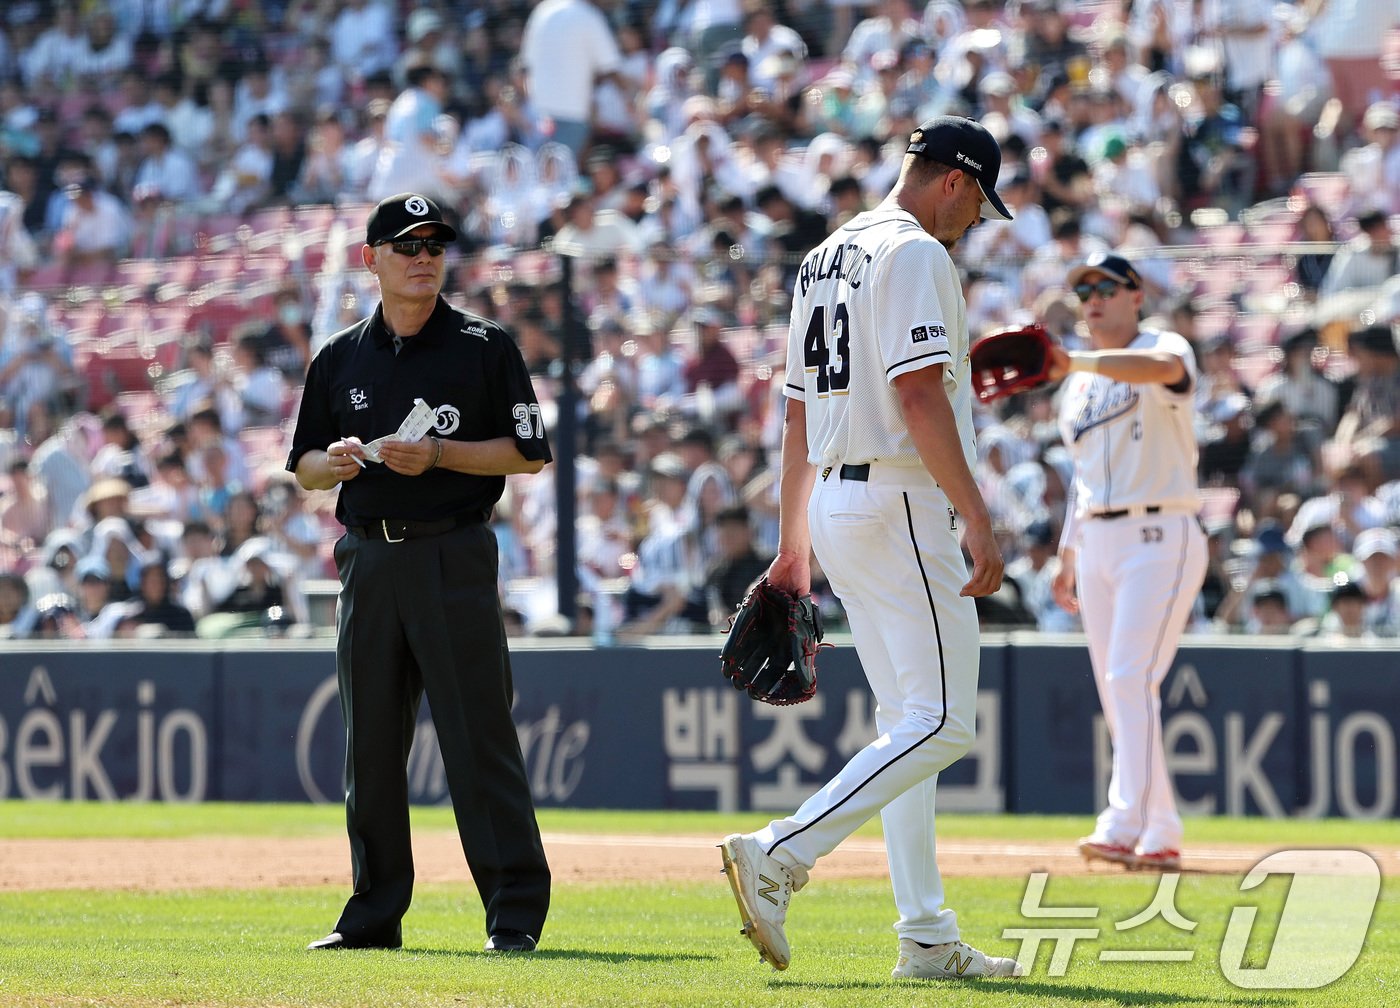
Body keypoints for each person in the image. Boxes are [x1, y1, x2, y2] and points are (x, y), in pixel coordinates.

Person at [718, 116, 1023, 981]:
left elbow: (795, 413)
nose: (972, 225)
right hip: (899, 498)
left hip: (837, 500)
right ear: (956, 181)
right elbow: (920, 395)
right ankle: (779, 854)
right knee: (941, 721)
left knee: (907, 725)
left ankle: (925, 935)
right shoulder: (918, 252)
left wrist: (791, 539)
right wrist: (976, 515)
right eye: (977, 206)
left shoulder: (824, 256)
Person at [288, 193, 553, 953]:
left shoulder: (484, 344)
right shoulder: (340, 356)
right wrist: (329, 462)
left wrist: (440, 455)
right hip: (368, 557)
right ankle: (373, 915)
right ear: (370, 258)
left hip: (453, 552)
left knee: (478, 740)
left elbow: (530, 451)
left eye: (435, 243)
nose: (423, 256)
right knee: (368, 746)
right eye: (406, 245)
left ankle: (513, 916)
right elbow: (303, 466)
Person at [1046, 251, 1208, 873]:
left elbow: (1163, 368)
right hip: (1098, 542)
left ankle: (1123, 821)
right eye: (1083, 287)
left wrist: (1077, 358)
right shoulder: (1077, 387)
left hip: (1161, 531)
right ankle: (1161, 826)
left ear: (1135, 295)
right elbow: (1083, 479)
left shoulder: (1166, 344)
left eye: (1106, 286)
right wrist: (1068, 551)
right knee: (1123, 693)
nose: (1092, 296)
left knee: (1127, 678)